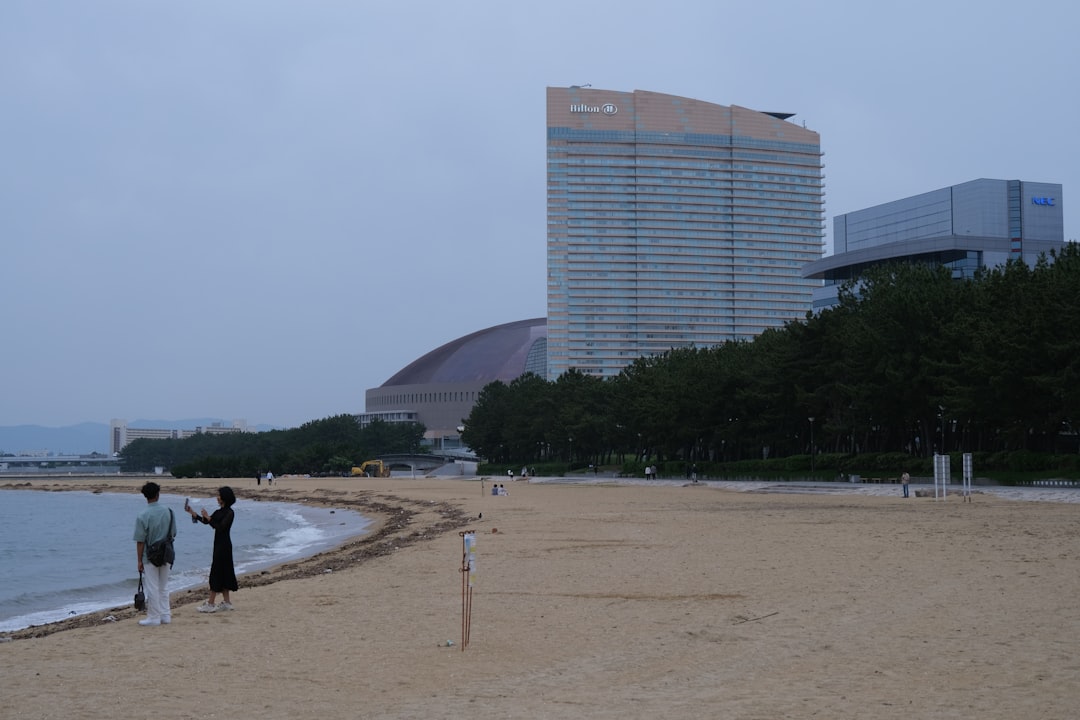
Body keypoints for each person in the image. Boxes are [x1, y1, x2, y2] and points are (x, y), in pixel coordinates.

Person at [185, 486, 239, 613]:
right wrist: (193, 513)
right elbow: (207, 522)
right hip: (219, 545)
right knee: (223, 571)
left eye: (219, 495)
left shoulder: (229, 513)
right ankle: (227, 602)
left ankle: (210, 603)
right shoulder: (219, 511)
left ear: (224, 497)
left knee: (216, 572)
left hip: (224, 546)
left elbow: (220, 527)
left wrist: (209, 518)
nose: (217, 497)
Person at [133, 481, 175, 626]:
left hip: (149, 555)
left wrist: (139, 560)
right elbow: (173, 533)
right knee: (164, 586)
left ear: (146, 496)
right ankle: (165, 615)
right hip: (167, 553)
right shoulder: (169, 511)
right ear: (158, 494)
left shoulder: (142, 515)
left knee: (153, 587)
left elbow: (140, 541)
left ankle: (154, 617)